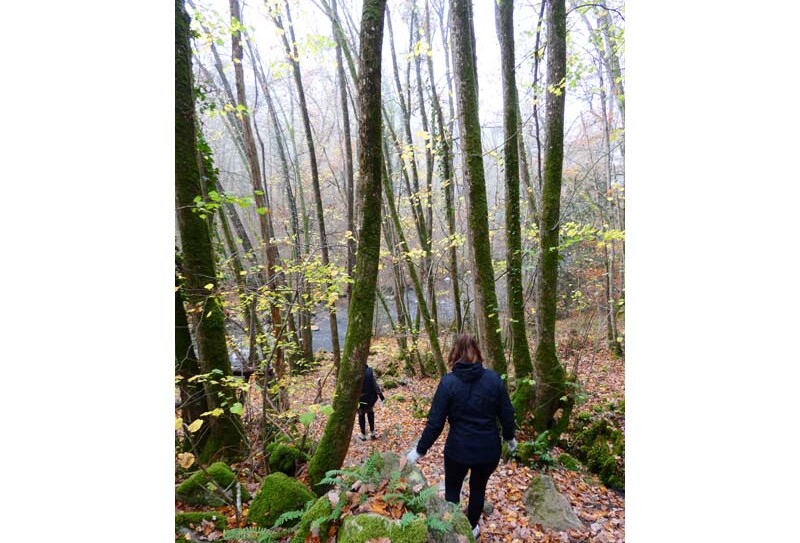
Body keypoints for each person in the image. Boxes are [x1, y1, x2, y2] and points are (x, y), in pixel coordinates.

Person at [405, 334, 517, 539]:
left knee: (453, 490)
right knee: (478, 488)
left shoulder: (448, 383)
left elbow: (435, 423)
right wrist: (510, 439)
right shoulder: (493, 379)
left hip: (458, 451)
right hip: (488, 451)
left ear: (454, 354)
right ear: (478, 352)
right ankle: (472, 528)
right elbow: (507, 415)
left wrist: (419, 451)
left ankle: (455, 528)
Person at [357, 363, 385, 441]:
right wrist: (380, 395)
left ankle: (363, 435)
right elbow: (375, 385)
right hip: (369, 398)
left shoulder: (356, 372)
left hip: (360, 399)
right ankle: (372, 433)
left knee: (361, 415)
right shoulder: (369, 372)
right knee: (370, 413)